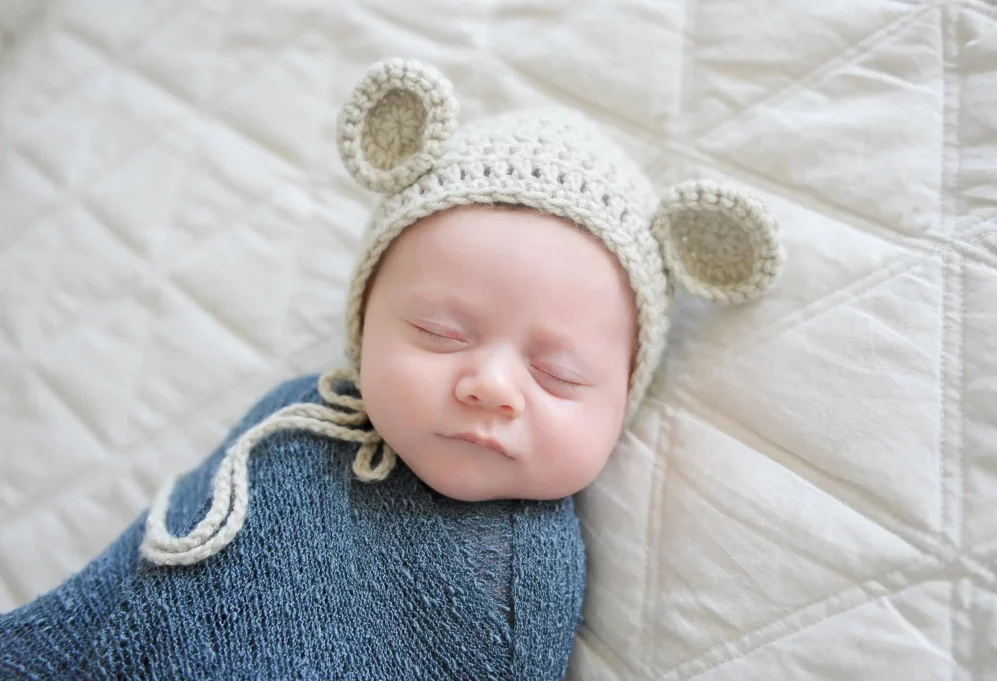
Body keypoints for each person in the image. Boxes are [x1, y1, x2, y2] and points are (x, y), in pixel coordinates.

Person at [0, 58, 784, 679]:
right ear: (364, 326)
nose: (491, 385)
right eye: (442, 332)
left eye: (559, 375)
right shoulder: (291, 421)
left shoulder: (530, 560)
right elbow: (132, 576)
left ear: (622, 401)